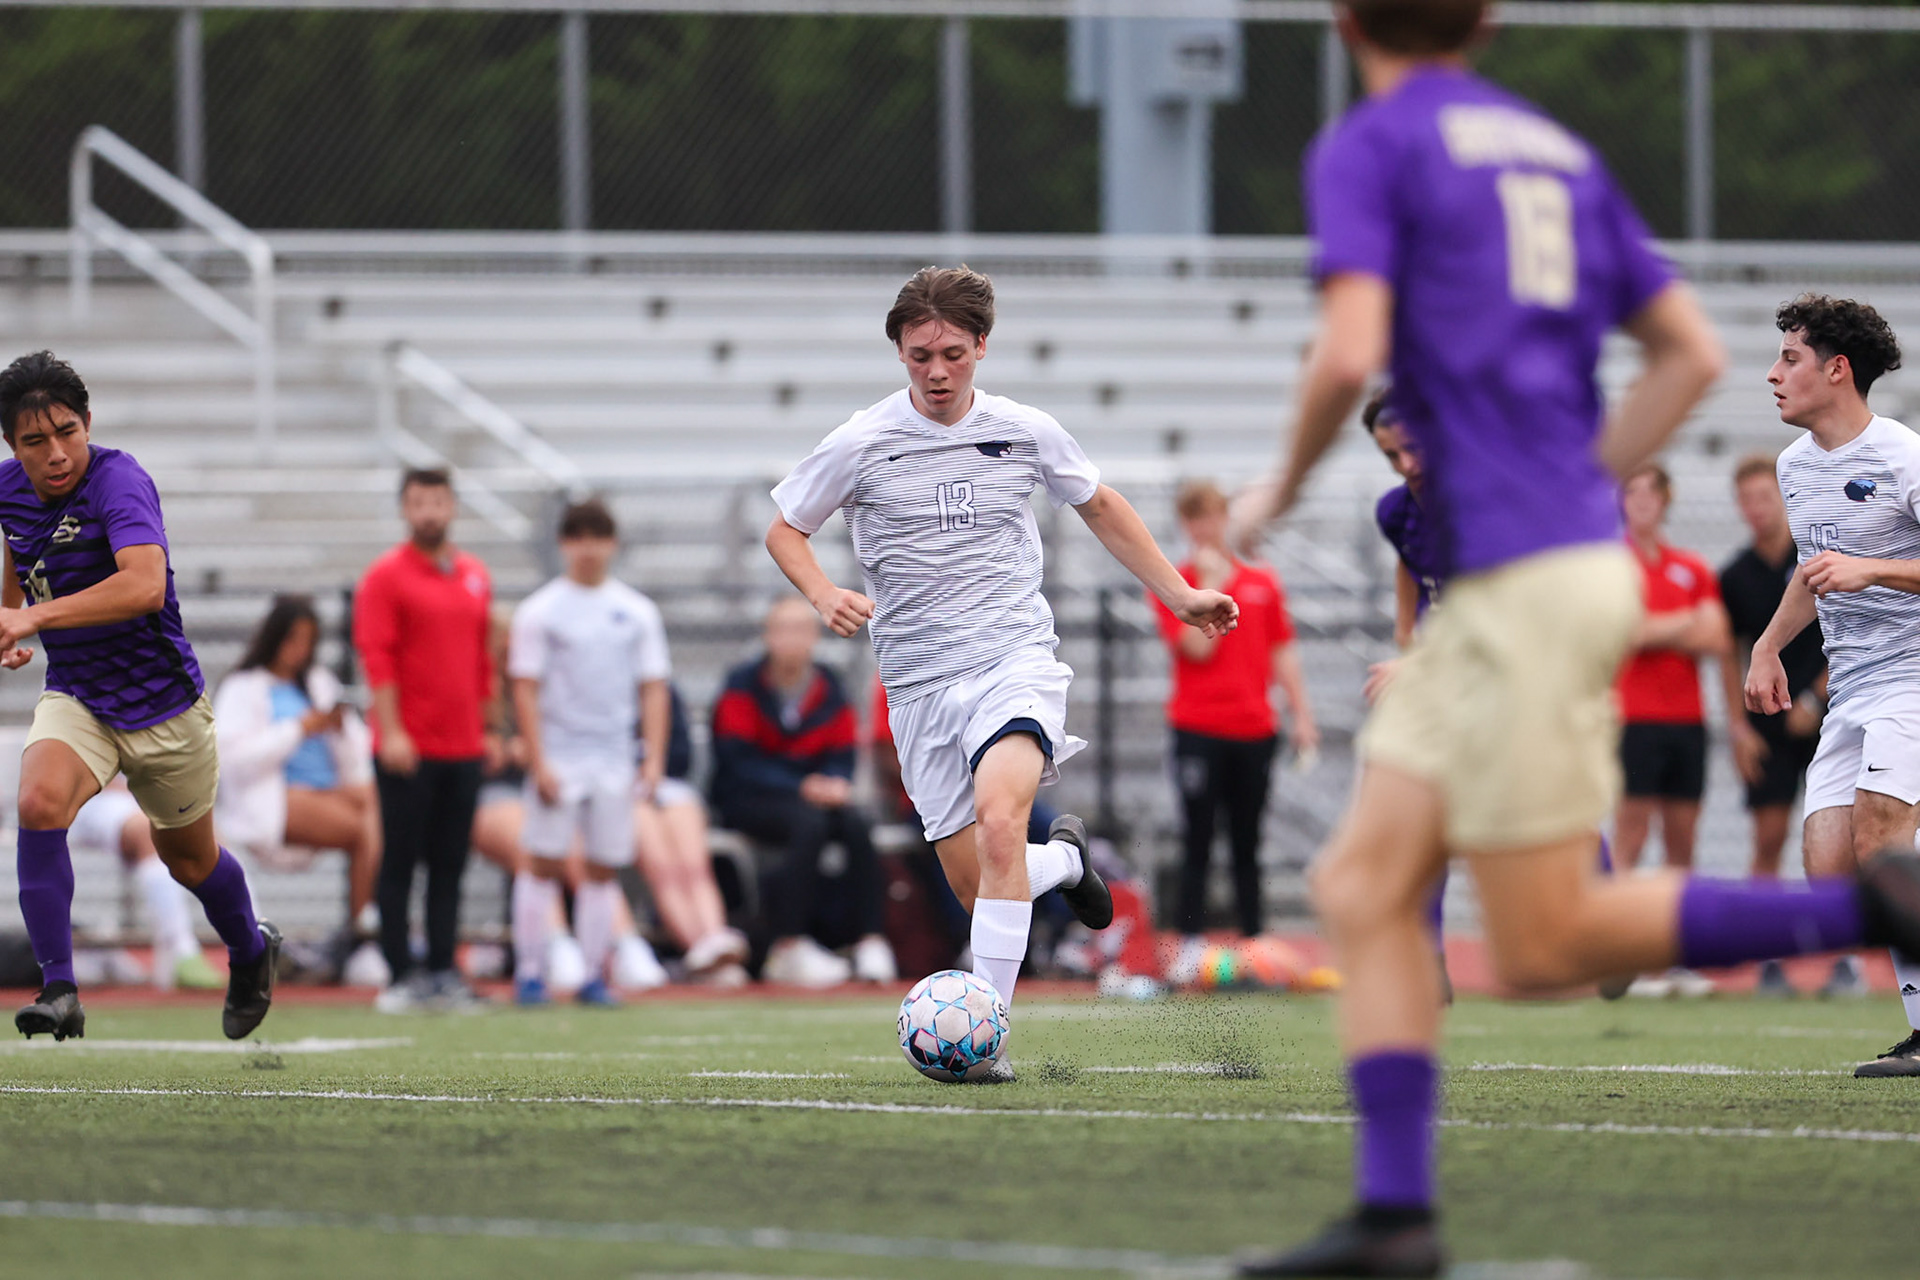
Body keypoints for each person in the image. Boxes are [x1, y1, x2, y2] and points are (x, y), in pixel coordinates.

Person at [1227, 8, 1920, 1274]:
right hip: (1529, 572)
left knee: (1547, 939)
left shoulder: (1376, 139)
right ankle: (1396, 1218)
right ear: (1485, 22)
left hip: (1521, 584)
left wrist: (1273, 490)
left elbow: (1347, 351)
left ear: (1343, 18)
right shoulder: (1553, 148)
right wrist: (1576, 482)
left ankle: (1876, 905)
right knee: (1363, 887)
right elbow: (1692, 354)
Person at [766, 266, 1237, 1071]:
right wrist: (820, 592)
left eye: (952, 352)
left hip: (1010, 661)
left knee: (999, 823)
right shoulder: (861, 440)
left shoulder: (1024, 429)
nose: (937, 371)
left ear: (982, 345)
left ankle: (986, 1042)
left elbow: (1100, 504)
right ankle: (1066, 863)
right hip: (916, 687)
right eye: (919, 356)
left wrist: (1179, 591)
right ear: (900, 353)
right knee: (987, 886)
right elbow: (785, 528)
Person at [0, 350, 280, 1042]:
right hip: (80, 697)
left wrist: (33, 616)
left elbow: (143, 585)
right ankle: (60, 988)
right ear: (13, 445)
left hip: (165, 706)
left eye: (67, 431)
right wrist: (9, 619)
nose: (56, 452)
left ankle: (250, 950)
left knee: (188, 859)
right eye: (35, 441)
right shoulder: (6, 490)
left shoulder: (118, 479)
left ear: (87, 423)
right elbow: (15, 558)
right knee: (36, 801)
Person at [1747, 294, 1920, 1077]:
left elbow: (1853, 570)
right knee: (1832, 873)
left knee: (1883, 842)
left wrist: (1876, 568)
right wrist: (1767, 647)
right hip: (1851, 692)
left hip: (1914, 680)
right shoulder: (1792, 467)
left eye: (1789, 358)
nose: (1774, 374)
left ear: (1837, 370)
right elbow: (1812, 575)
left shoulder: (1901, 457)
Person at [508, 498, 676, 1007]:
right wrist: (538, 760)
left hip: (612, 755)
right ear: (564, 543)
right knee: (543, 861)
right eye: (578, 537)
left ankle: (591, 973)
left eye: (597, 537)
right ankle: (531, 973)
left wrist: (652, 758)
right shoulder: (540, 611)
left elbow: (653, 687)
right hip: (560, 752)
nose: (588, 549)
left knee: (604, 865)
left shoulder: (636, 612)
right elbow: (525, 687)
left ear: (612, 544)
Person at [1157, 479, 1317, 976]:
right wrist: (1213, 588)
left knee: (1248, 840)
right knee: (1198, 838)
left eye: (1214, 516)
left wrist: (1301, 714)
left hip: (1254, 728)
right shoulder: (1176, 585)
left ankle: (1254, 940)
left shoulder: (1263, 581)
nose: (1206, 527)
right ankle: (1188, 943)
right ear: (1186, 524)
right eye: (1196, 518)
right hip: (1198, 727)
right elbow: (1198, 648)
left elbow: (1281, 649)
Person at [354, 467, 495, 1013]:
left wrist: (491, 727)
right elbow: (377, 657)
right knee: (401, 861)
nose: (429, 511)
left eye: (438, 501)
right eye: (419, 502)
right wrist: (391, 731)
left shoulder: (474, 574)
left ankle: (442, 968)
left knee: (451, 862)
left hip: (463, 745)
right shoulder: (385, 577)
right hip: (409, 746)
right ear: (405, 509)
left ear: (453, 506)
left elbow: (482, 659)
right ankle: (399, 972)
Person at [710, 598, 895, 988]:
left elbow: (842, 752)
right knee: (808, 822)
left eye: (801, 630)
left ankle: (870, 940)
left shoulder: (829, 687)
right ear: (768, 636)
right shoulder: (742, 685)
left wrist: (833, 782)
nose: (792, 639)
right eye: (783, 629)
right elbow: (736, 760)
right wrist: (800, 785)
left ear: (814, 637)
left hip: (811, 799)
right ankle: (788, 944)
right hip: (748, 799)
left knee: (857, 823)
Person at [1613, 464, 1734, 998]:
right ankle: (1620, 953)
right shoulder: (1611, 563)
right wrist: (1682, 626)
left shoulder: (1691, 565)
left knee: (1681, 838)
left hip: (1687, 720)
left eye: (1650, 492)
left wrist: (1657, 629)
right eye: (1631, 491)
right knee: (1631, 836)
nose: (1641, 501)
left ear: (1666, 500)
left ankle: (1676, 953)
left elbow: (1716, 635)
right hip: (1633, 717)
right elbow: (1623, 629)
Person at [213, 594, 382, 973]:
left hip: (329, 791)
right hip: (276, 798)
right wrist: (298, 729)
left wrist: (338, 729)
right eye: (293, 639)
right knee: (368, 827)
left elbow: (357, 755)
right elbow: (233, 758)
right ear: (274, 638)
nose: (299, 650)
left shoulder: (319, 682)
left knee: (381, 801)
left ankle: (368, 927)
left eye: (308, 640)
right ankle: (365, 932)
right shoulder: (243, 686)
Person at [1720, 453, 1828, 997]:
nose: (1757, 508)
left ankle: (1844, 962)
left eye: (1766, 496)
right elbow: (1729, 651)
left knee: (1841, 841)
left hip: (1831, 713)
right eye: (1747, 499)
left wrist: (1814, 694)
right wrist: (1738, 726)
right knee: (1768, 837)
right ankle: (1767, 958)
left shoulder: (1815, 558)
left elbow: (1851, 628)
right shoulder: (1735, 575)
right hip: (1767, 720)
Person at [633, 686, 750, 984]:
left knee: (693, 866)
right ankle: (696, 946)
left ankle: (714, 937)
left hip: (663, 784)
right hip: (615, 787)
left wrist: (652, 771)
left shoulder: (661, 687)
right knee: (663, 866)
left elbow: (680, 754)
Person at [69, 780, 220, 990]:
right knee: (148, 830)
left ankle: (254, 947)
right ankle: (181, 951)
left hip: (144, 797)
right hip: (90, 799)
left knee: (211, 836)